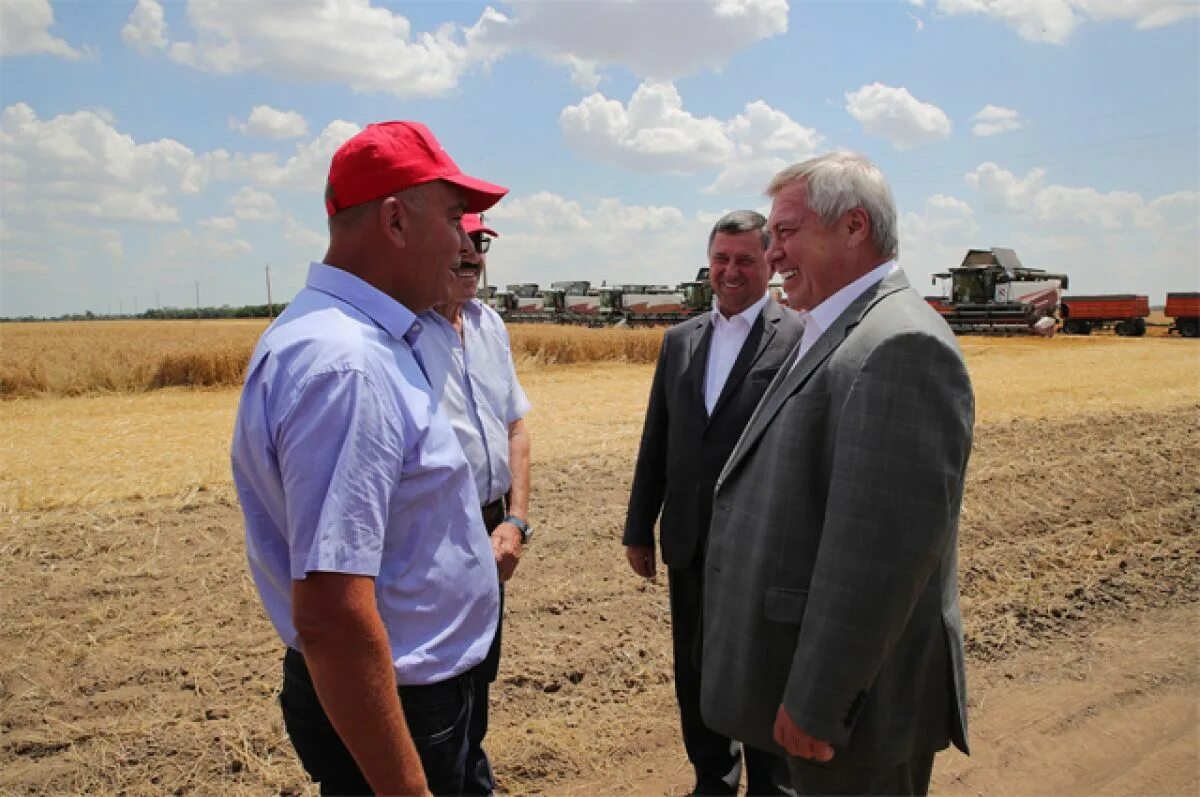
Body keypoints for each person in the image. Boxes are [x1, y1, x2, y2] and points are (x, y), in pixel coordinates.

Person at [231, 120, 508, 796]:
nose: (463, 240)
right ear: (394, 221)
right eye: (451, 218)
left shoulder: (359, 339)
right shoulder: (346, 365)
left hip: (414, 688)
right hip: (402, 703)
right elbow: (331, 615)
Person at [699, 151, 974, 796]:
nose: (771, 256)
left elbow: (880, 556)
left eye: (787, 233)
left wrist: (821, 700)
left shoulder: (900, 345)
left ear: (854, 227)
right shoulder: (838, 328)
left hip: (857, 719)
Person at [624, 210, 803, 796]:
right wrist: (638, 527)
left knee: (759, 670)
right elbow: (659, 439)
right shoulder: (681, 341)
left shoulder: (797, 339)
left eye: (745, 260)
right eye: (721, 259)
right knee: (695, 671)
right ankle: (712, 779)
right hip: (690, 541)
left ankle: (772, 785)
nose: (730, 271)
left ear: (770, 263)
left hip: (761, 546)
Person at [416, 212, 532, 795]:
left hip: (494, 525)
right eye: (459, 242)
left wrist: (515, 520)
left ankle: (468, 771)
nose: (470, 255)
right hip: (434, 531)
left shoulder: (492, 328)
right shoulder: (404, 335)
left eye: (479, 243)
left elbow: (516, 428)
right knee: (437, 680)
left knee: (479, 671)